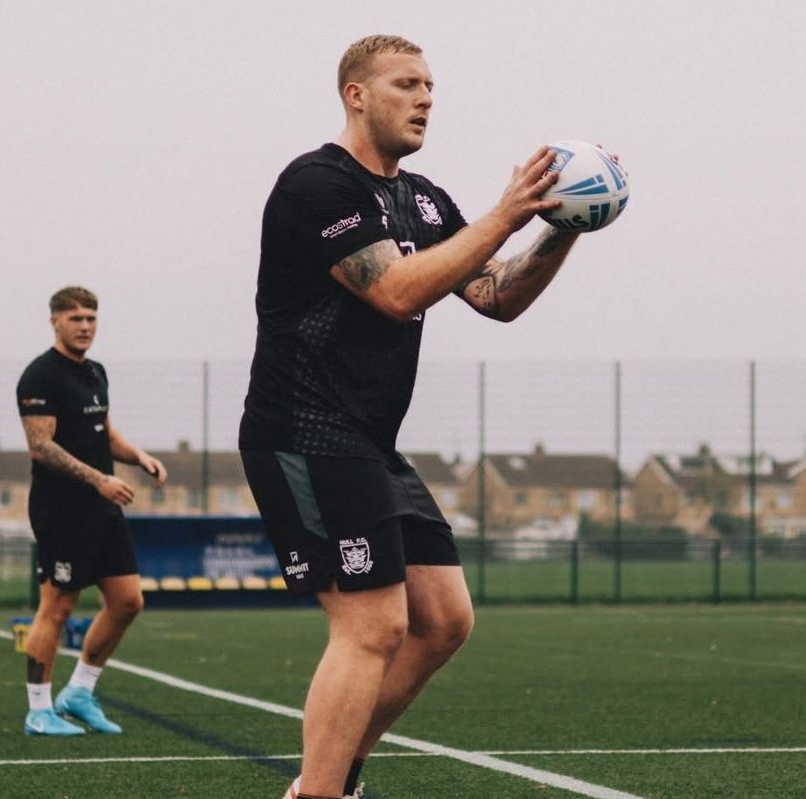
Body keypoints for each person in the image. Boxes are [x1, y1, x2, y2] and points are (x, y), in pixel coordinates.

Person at [239, 35, 615, 799]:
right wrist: (504, 215)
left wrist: (561, 223)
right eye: (406, 84)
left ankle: (332, 775)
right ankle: (320, 791)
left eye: (431, 87)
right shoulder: (315, 186)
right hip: (302, 429)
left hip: (369, 441)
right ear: (357, 94)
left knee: (442, 618)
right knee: (372, 625)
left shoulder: (426, 199)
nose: (425, 99)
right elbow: (398, 290)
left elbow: (497, 295)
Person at [16, 286, 167, 736]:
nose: (84, 327)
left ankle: (79, 691)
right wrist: (100, 480)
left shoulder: (95, 372)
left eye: (91, 319)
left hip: (102, 509)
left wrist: (138, 455)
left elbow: (103, 433)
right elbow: (41, 447)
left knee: (127, 602)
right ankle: (39, 711)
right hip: (61, 510)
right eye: (75, 319)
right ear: (55, 322)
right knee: (57, 607)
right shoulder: (40, 376)